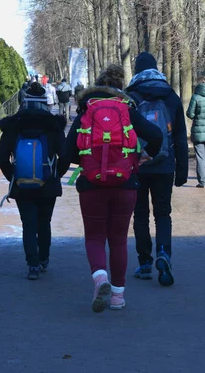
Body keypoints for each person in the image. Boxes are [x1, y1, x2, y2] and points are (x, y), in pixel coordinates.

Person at [59, 65, 163, 312]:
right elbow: (156, 135)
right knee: (118, 240)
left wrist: (85, 160)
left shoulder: (86, 110)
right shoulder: (128, 110)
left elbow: (67, 152)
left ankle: (100, 278)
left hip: (92, 184)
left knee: (94, 237)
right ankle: (117, 296)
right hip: (126, 183)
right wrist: (143, 156)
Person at [126, 52, 189, 287]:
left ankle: (144, 263)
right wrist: (181, 170)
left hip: (137, 165)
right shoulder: (171, 96)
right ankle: (164, 254)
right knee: (163, 214)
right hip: (164, 164)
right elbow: (181, 136)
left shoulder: (130, 95)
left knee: (140, 214)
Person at [0, 82, 68, 280]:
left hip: (22, 184)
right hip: (48, 184)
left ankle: (33, 265)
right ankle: (44, 258)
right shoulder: (53, 126)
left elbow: (1, 158)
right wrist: (56, 175)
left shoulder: (13, 126)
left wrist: (13, 177)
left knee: (28, 224)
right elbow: (65, 155)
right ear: (46, 102)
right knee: (45, 222)